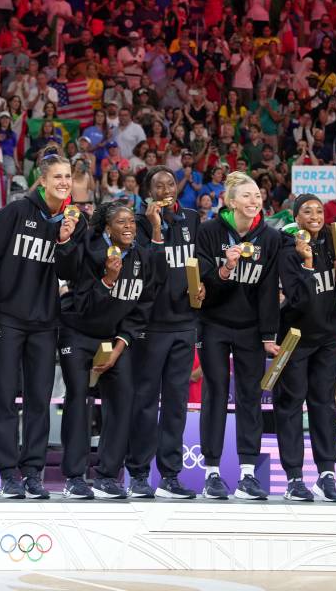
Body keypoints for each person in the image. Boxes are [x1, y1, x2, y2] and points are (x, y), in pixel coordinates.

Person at [0, 152, 82, 499]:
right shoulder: (18, 211)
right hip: (7, 318)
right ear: (42, 180)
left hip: (44, 322)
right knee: (3, 399)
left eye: (68, 177)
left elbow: (72, 273)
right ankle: (8, 473)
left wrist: (66, 241)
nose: (63, 182)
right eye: (57, 176)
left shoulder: (72, 219)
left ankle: (32, 472)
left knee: (40, 399)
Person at [58, 200, 157, 499]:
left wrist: (119, 345)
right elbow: (83, 305)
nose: (130, 226)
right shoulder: (89, 250)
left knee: (123, 398)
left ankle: (106, 476)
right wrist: (108, 280)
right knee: (78, 398)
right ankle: (74, 477)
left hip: (113, 338)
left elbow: (142, 306)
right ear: (106, 227)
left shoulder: (143, 256)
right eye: (122, 222)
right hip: (77, 331)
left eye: (133, 222)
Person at [194, 171, 283, 501]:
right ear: (230, 202)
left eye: (257, 195)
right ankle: (212, 473)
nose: (254, 200)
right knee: (215, 392)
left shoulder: (270, 237)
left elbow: (267, 290)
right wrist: (225, 269)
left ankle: (247, 473)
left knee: (250, 396)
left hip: (250, 329)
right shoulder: (208, 232)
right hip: (213, 322)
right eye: (246, 196)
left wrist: (268, 335)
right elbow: (203, 284)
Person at [127, 167, 202, 499]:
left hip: (184, 324)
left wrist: (204, 289)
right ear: (148, 192)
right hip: (150, 326)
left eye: (170, 183)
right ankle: (139, 473)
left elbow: (200, 265)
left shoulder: (192, 219)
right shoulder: (138, 225)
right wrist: (155, 227)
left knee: (176, 403)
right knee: (144, 402)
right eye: (158, 185)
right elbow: (142, 267)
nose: (166, 189)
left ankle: (170, 475)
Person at [274, 194, 336, 502]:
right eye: (307, 211)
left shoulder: (332, 242)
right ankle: (293, 478)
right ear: (296, 217)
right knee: (291, 405)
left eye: (319, 210)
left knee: (324, 403)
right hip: (295, 337)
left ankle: (327, 474)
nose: (315, 215)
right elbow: (298, 299)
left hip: (328, 337)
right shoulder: (287, 249)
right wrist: (306, 263)